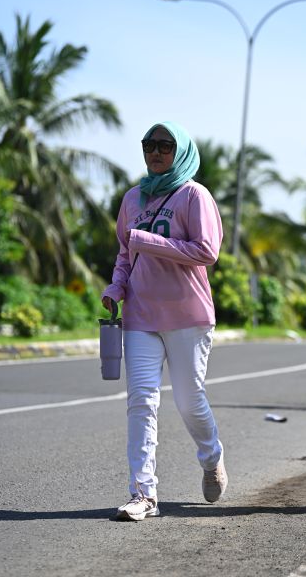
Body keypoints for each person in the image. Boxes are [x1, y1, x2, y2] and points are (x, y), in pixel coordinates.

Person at [102, 121, 228, 521]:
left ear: (181, 150)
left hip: (188, 315)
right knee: (141, 401)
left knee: (189, 400)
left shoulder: (194, 195)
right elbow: (125, 254)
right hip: (140, 314)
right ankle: (143, 494)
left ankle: (211, 457)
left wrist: (149, 240)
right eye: (149, 145)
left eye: (165, 145)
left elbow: (207, 251)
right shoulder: (132, 198)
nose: (155, 152)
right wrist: (115, 288)